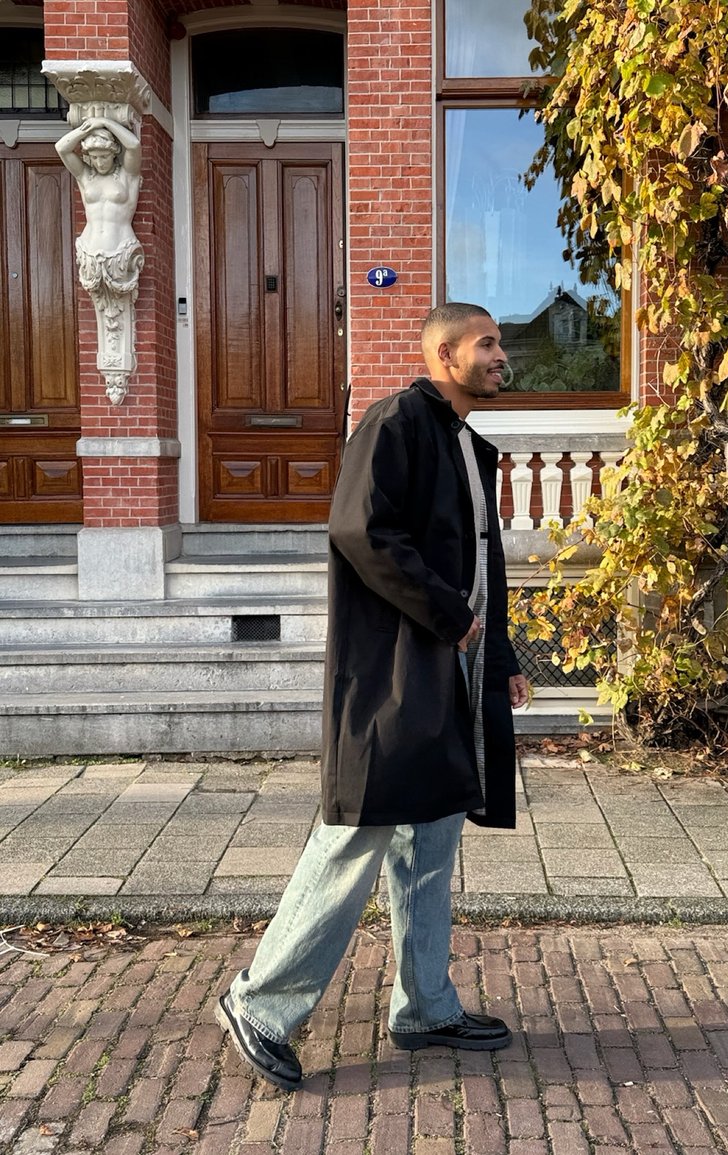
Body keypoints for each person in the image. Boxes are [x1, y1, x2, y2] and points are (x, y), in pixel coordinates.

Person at [215, 302, 529, 1091]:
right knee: (359, 828)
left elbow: (478, 564)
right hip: (394, 672)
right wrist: (456, 620)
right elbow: (360, 531)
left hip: (449, 667)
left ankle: (425, 1005)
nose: (501, 354)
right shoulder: (395, 424)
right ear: (445, 354)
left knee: (431, 841)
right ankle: (261, 1003)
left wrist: (500, 657)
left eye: (498, 342)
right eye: (487, 343)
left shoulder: (463, 443)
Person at [55, 115, 144, 299]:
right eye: (94, 158)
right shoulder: (86, 176)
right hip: (90, 251)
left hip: (121, 250)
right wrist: (86, 129)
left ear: (114, 153)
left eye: (104, 157)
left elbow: (134, 145)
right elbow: (61, 148)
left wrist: (105, 122)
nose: (99, 162)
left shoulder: (127, 175)